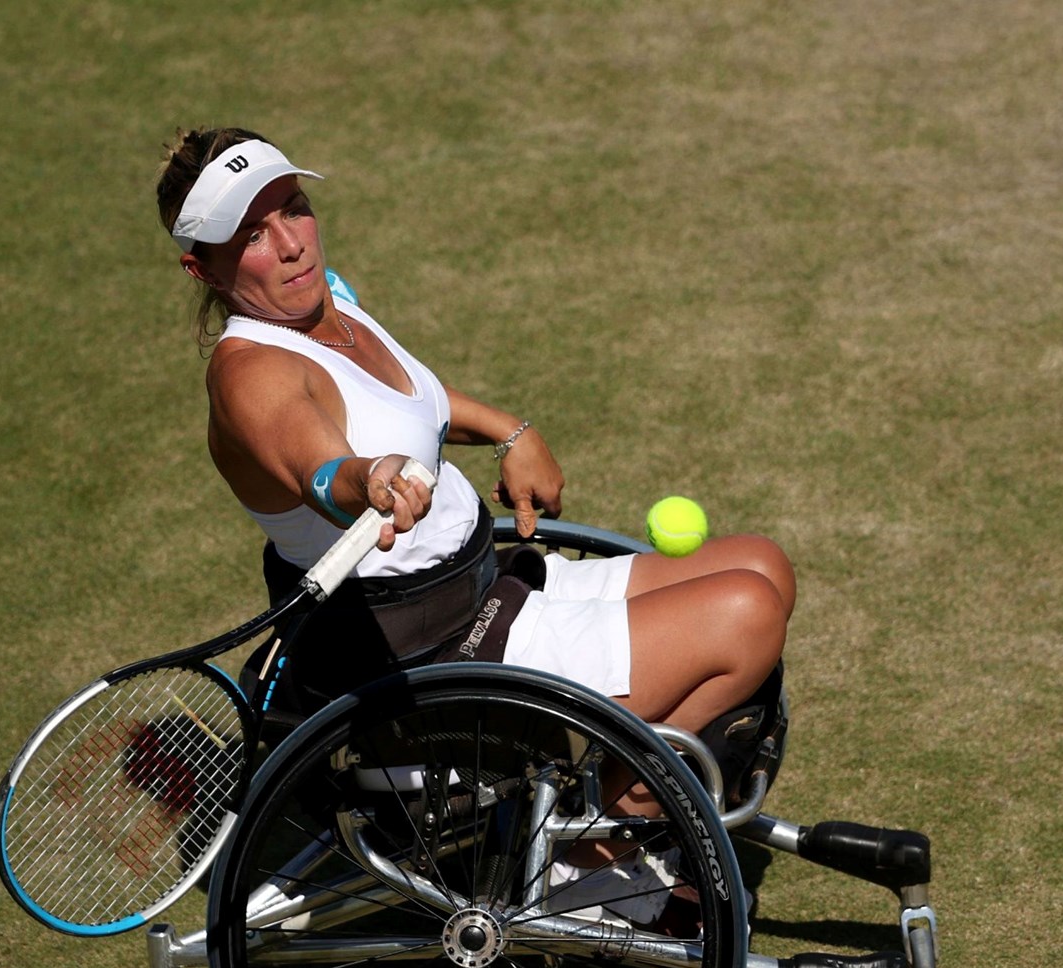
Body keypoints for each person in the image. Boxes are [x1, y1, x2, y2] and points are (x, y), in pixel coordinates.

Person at [153, 126, 795, 738]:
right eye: (252, 235)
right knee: (749, 612)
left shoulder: (328, 303)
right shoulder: (250, 373)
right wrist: (366, 481)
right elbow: (315, 468)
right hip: (437, 658)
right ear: (201, 269)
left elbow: (411, 401)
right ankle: (609, 830)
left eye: (294, 209)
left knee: (763, 563)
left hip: (488, 587)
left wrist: (511, 431)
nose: (292, 244)